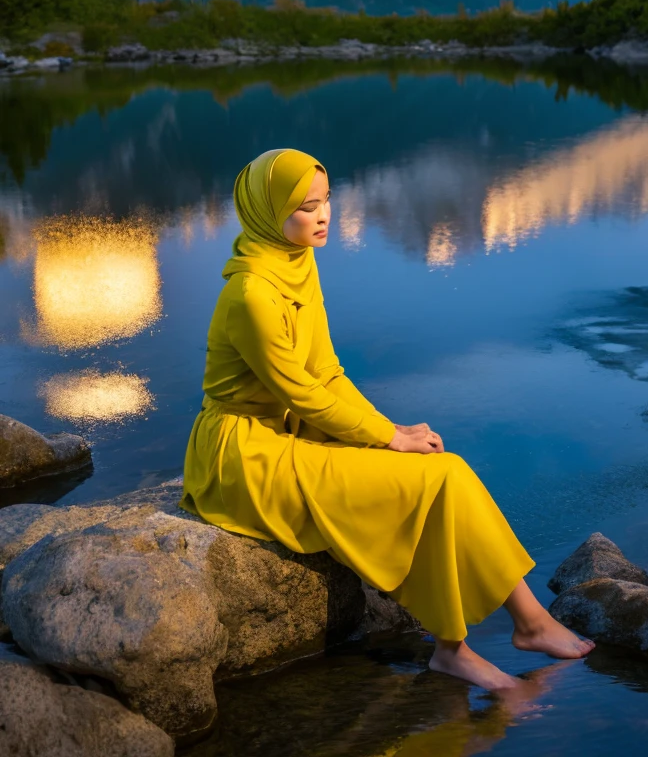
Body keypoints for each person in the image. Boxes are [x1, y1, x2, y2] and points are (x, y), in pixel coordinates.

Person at [181, 148, 594, 692]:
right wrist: (387, 438)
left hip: (287, 428)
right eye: (307, 206)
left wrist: (389, 431)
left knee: (446, 469)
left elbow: (325, 371)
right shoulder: (253, 293)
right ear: (267, 211)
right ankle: (463, 647)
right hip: (244, 454)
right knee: (422, 477)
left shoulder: (294, 260)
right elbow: (302, 394)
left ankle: (525, 624)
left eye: (327, 200)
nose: (325, 215)